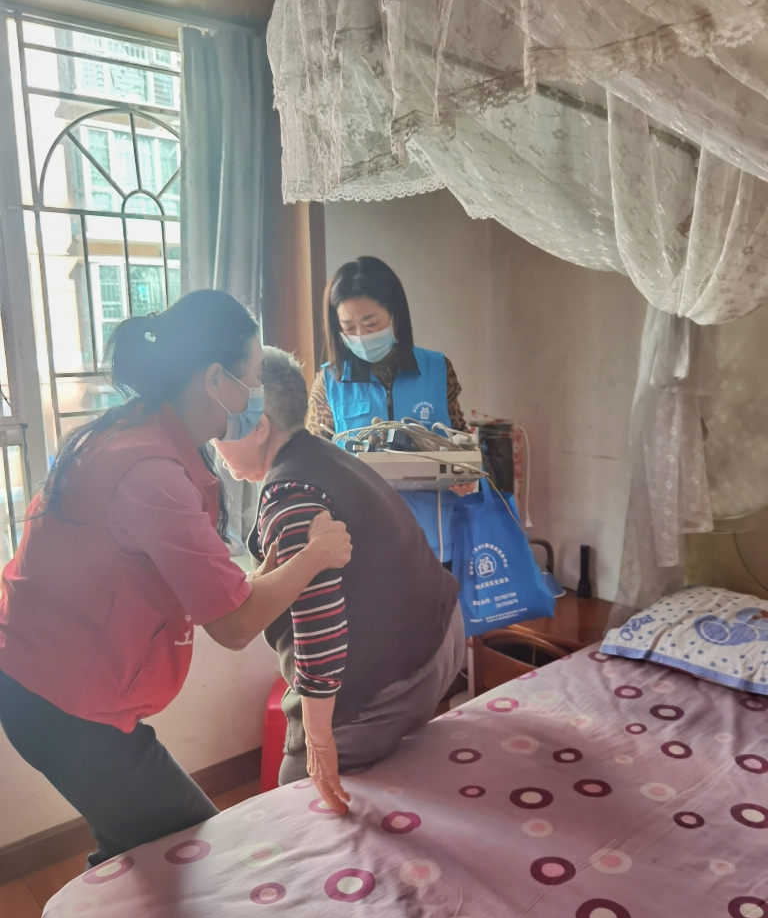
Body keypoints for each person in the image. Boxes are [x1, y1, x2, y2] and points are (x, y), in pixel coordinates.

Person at [0, 291, 351, 867]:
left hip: (50, 680)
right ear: (215, 379)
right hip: (59, 700)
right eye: (251, 376)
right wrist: (316, 555)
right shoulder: (151, 472)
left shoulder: (137, 432)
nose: (255, 392)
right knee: (192, 852)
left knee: (140, 846)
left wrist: (272, 571)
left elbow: (210, 583)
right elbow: (234, 625)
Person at [218, 347, 465, 814]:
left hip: (404, 675)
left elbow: (319, 628)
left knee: (297, 791)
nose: (215, 444)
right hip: (444, 634)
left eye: (220, 431)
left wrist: (316, 742)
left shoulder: (289, 494)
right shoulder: (327, 454)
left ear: (259, 426)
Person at [307, 256, 472, 566]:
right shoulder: (329, 383)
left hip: (434, 538)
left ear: (396, 314)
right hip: (360, 543)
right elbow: (314, 460)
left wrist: (465, 474)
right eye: (348, 327)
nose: (361, 335)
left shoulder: (437, 370)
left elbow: (460, 440)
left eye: (371, 324)